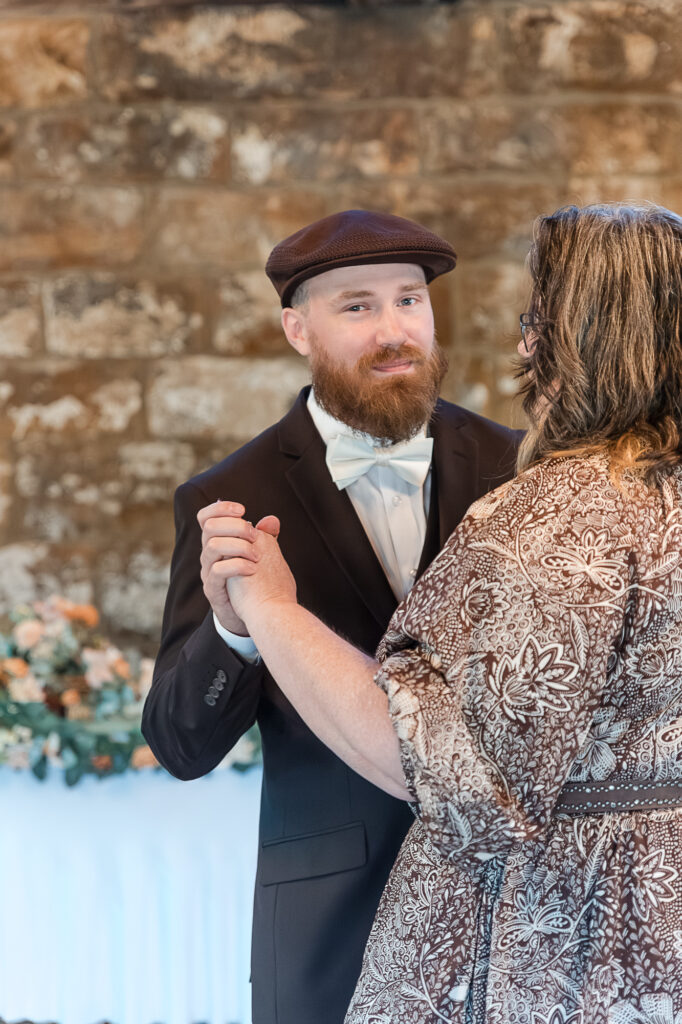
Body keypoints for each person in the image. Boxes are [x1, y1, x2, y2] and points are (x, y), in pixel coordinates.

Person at [222, 203, 682, 1024]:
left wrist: (271, 608)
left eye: (540, 318)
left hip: (574, 931)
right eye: (357, 306)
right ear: (298, 329)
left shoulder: (558, 514)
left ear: (588, 335)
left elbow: (465, 782)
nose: (524, 343)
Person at [142, 209, 521, 1024]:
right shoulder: (227, 498)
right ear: (296, 329)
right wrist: (238, 630)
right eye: (356, 307)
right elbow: (179, 745)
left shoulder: (519, 467)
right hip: (328, 932)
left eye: (409, 300)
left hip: (515, 913)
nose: (394, 331)